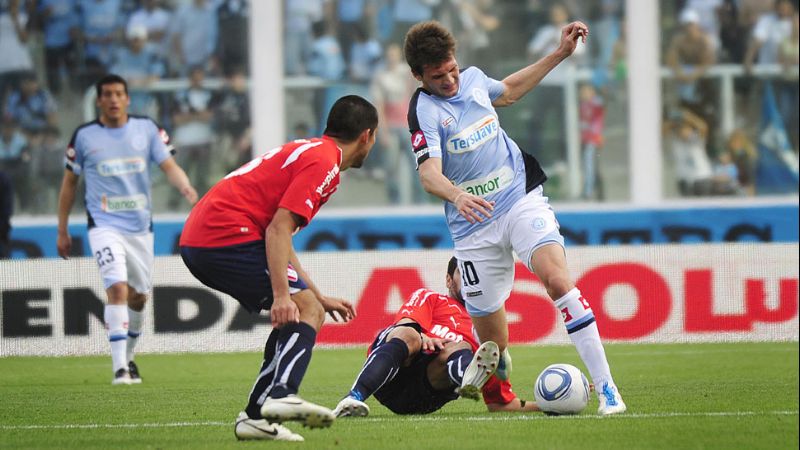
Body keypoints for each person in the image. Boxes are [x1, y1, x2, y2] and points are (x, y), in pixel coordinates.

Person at [403, 20, 626, 415]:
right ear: (419, 76)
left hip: (520, 199)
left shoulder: (472, 80)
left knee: (558, 281)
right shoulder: (425, 111)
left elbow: (508, 91)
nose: (451, 80)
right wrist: (458, 195)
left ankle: (608, 390)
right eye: (439, 76)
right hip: (473, 226)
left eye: (452, 68)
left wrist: (559, 54)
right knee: (494, 346)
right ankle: (495, 393)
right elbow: (428, 173)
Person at [179, 95, 378, 441]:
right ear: (367, 136)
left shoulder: (314, 151)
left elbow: (279, 236)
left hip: (208, 236)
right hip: (222, 235)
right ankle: (281, 395)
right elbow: (277, 230)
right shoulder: (325, 164)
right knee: (302, 309)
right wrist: (283, 295)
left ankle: (257, 418)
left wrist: (315, 295)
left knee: (308, 307)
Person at [56, 74, 198, 385]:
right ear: (98, 100)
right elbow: (70, 184)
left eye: (119, 93)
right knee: (116, 289)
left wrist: (187, 190)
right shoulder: (84, 136)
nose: (113, 99)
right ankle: (119, 368)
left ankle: (129, 357)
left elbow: (169, 166)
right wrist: (62, 229)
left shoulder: (146, 129)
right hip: (104, 225)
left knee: (138, 297)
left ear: (128, 98)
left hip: (139, 228)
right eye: (107, 94)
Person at [333, 256, 541, 418]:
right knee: (409, 334)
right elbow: (405, 325)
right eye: (465, 273)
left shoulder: (486, 329)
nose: (473, 281)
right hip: (393, 373)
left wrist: (548, 406)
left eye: (478, 276)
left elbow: (502, 404)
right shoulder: (431, 298)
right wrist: (423, 338)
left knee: (461, 348)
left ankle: (468, 377)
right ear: (449, 280)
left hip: (425, 394)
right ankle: (353, 398)